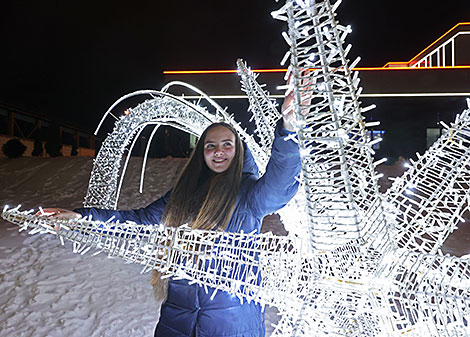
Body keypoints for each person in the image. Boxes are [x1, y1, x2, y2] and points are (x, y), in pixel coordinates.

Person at [44, 93, 301, 337]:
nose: (218, 151)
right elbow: (137, 222)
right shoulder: (183, 195)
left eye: (227, 145)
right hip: (178, 321)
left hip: (232, 324)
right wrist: (81, 217)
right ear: (202, 153)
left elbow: (278, 186)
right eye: (210, 146)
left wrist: (288, 129)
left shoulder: (248, 195)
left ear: (238, 152)